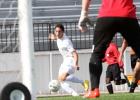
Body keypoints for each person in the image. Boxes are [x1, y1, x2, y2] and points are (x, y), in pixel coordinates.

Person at [78, 0, 140, 98]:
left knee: (96, 54)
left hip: (106, 15)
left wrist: (84, 13)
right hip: (127, 15)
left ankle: (94, 90)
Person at [48, 23, 89, 96]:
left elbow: (75, 53)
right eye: (56, 31)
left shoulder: (66, 42)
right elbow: (55, 37)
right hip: (65, 61)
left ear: (63, 32)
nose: (57, 33)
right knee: (61, 80)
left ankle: (75, 94)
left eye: (59, 31)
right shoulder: (58, 37)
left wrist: (76, 64)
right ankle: (82, 83)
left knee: (62, 78)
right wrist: (51, 37)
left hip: (71, 60)